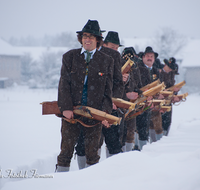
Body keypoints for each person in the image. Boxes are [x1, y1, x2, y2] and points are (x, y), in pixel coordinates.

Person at [56, 19, 114, 172]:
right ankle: (58, 184)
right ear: (81, 38)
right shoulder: (70, 57)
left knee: (92, 154)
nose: (87, 39)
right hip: (72, 112)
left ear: (98, 40)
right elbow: (64, 84)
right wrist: (66, 108)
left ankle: (89, 184)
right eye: (85, 36)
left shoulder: (107, 61)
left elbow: (108, 91)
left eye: (91, 37)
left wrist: (105, 114)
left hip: (94, 115)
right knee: (65, 152)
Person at [75, 30, 124, 169]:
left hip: (108, 106)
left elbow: (118, 82)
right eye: (112, 46)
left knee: (113, 141)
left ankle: (114, 172)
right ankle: (86, 172)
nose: (114, 49)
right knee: (85, 143)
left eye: (116, 47)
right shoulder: (83, 55)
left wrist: (113, 100)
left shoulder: (114, 56)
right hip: (87, 107)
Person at [136, 46, 161, 149]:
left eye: (152, 56)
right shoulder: (138, 68)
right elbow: (136, 85)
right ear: (143, 57)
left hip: (152, 104)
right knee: (138, 127)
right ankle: (138, 148)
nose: (150, 58)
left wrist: (157, 95)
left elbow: (158, 87)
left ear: (154, 59)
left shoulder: (156, 71)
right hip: (139, 102)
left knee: (147, 127)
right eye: (147, 56)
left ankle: (145, 148)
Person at [160, 57, 179, 136]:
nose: (170, 70)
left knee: (167, 121)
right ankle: (159, 137)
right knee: (159, 121)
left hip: (169, 100)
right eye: (169, 68)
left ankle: (165, 135)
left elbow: (172, 85)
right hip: (160, 100)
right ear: (165, 65)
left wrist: (175, 92)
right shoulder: (159, 73)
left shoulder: (171, 74)